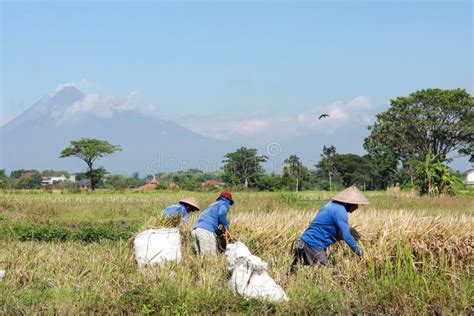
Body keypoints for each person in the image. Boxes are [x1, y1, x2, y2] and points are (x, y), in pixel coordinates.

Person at [291, 186, 368, 270]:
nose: (357, 208)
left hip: (305, 241)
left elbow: (328, 228)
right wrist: (360, 253)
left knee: (298, 270)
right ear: (350, 203)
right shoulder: (340, 211)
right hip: (314, 244)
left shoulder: (331, 205)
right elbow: (346, 236)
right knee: (327, 271)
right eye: (356, 205)